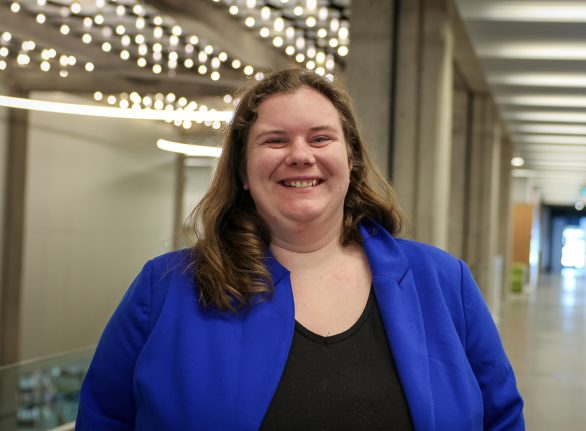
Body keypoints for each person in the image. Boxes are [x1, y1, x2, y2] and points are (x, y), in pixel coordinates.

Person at [76, 68, 525, 430]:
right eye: (275, 140)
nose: (300, 155)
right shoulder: (166, 288)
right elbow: (105, 419)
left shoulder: (444, 281)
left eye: (320, 138)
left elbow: (501, 418)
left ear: (350, 159)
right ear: (244, 171)